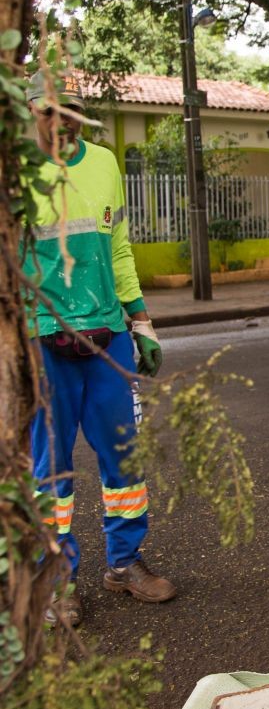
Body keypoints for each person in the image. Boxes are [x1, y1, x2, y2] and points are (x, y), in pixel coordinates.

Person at [24, 71, 175, 627]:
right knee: (51, 471)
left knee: (124, 460)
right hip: (44, 340)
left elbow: (118, 249)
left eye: (72, 114)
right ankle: (55, 581)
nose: (61, 124)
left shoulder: (105, 163)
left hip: (108, 337)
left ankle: (125, 564)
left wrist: (142, 322)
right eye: (50, 113)